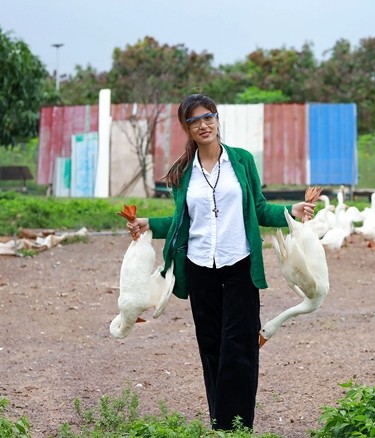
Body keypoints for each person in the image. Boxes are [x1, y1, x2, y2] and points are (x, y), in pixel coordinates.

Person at [125, 93, 314, 431]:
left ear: (217, 118)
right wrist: (150, 224)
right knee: (211, 347)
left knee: (239, 347)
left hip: (240, 265)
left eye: (208, 117)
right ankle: (220, 425)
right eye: (194, 120)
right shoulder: (183, 173)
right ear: (187, 127)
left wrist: (290, 212)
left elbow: (258, 209)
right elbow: (184, 222)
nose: (203, 124)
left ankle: (238, 426)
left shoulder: (241, 161)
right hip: (200, 268)